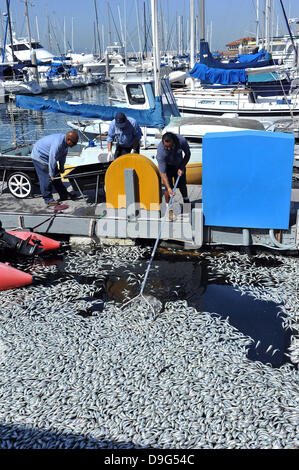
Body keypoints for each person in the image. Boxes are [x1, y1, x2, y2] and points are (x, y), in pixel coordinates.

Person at [31, 131, 79, 207]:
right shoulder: (58, 143)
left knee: (57, 176)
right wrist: (51, 174)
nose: (74, 145)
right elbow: (52, 159)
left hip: (48, 156)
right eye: (74, 143)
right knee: (46, 179)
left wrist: (61, 167)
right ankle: (48, 199)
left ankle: (64, 195)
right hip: (40, 156)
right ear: (68, 140)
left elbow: (63, 156)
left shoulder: (65, 144)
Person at [156, 132, 191, 221]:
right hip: (167, 168)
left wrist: (181, 167)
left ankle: (186, 202)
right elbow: (163, 174)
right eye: (166, 147)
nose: (168, 148)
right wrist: (169, 188)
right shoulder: (161, 153)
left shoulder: (181, 140)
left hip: (179, 164)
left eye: (170, 146)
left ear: (174, 142)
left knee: (182, 185)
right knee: (168, 191)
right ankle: (170, 209)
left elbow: (187, 154)